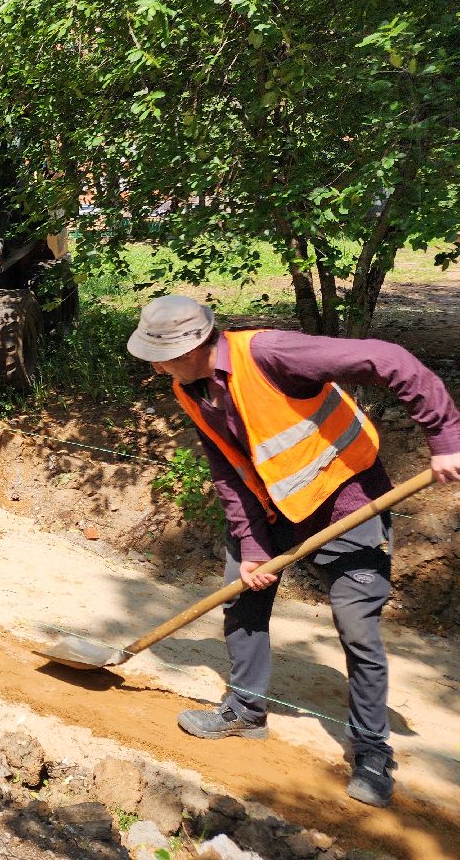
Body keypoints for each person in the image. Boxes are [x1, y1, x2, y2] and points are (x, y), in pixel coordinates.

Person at [127, 296, 460, 807]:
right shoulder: (187, 386)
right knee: (242, 598)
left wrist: (445, 437)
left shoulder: (273, 354)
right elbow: (227, 468)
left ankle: (371, 749)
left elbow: (389, 359)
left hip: (349, 501)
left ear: (195, 344)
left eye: (161, 353)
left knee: (357, 628)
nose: (155, 365)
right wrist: (254, 546)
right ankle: (244, 711)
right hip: (271, 507)